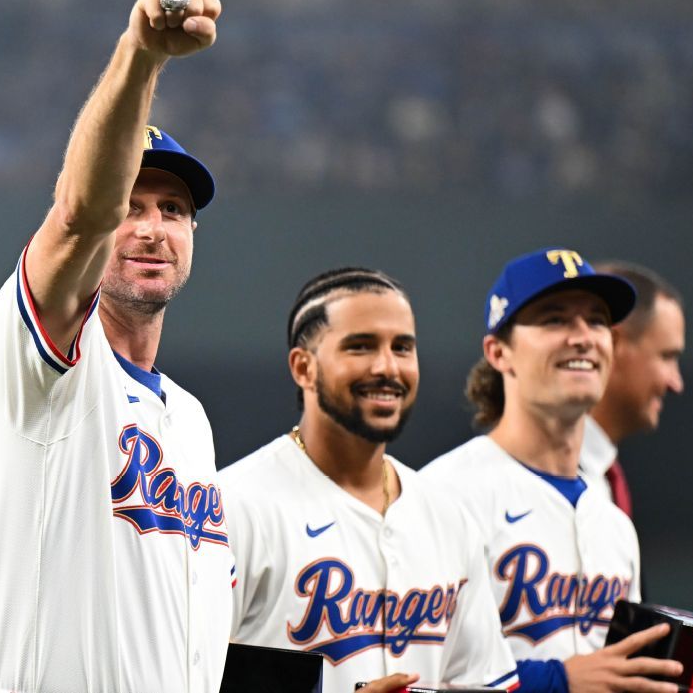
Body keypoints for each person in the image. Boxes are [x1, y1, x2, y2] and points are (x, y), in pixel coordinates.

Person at [0, 0, 231, 693]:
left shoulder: (193, 421)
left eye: (172, 209)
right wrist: (141, 54)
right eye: (132, 205)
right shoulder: (43, 362)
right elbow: (83, 213)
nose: (149, 227)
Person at [220, 268, 520, 692]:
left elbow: (486, 683)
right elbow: (184, 678)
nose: (387, 367)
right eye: (360, 347)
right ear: (303, 368)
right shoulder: (234, 504)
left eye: (402, 347)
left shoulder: (449, 516)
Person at [421, 248, 683, 693]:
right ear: (499, 352)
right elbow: (415, 671)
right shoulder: (441, 495)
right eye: (554, 319)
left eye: (597, 320)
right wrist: (556, 682)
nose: (582, 336)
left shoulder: (614, 524)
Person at [581, 262, 685, 517]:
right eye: (667, 357)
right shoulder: (518, 478)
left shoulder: (602, 479)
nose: (676, 383)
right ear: (612, 345)